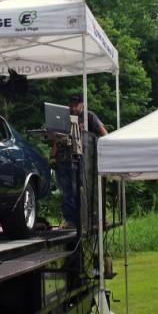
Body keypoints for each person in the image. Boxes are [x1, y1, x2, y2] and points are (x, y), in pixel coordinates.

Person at [51, 94, 108, 229]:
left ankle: (94, 218)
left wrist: (103, 151)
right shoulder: (62, 116)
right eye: (71, 104)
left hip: (84, 160)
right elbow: (56, 138)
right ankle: (71, 221)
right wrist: (53, 155)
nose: (73, 107)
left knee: (85, 189)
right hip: (64, 159)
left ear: (82, 104)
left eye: (76, 105)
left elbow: (104, 133)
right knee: (66, 191)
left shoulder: (89, 116)